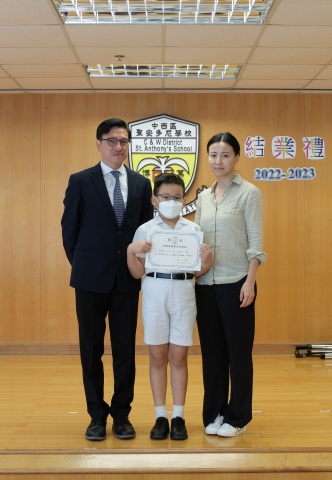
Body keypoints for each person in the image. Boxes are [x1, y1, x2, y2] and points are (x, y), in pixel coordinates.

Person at [61, 118, 154, 441]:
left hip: (127, 279)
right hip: (89, 280)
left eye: (124, 141)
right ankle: (96, 416)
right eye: (112, 141)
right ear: (99, 144)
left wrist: (136, 267)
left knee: (125, 350)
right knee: (91, 351)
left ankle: (122, 415)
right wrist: (84, 265)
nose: (118, 147)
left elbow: (146, 233)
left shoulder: (141, 184)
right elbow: (69, 231)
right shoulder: (80, 181)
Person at [127, 173, 212, 441]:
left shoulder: (193, 230)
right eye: (166, 196)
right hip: (154, 290)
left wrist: (207, 262)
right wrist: (131, 251)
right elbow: (137, 272)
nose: (172, 201)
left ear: (184, 200)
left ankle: (178, 416)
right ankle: (160, 416)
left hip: (184, 291)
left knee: (179, 357)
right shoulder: (145, 230)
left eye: (177, 197)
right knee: (157, 357)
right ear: (155, 200)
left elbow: (197, 271)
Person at [194, 132, 267, 438]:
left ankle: (237, 417)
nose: (218, 161)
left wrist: (250, 282)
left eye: (225, 155)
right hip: (205, 285)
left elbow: (256, 245)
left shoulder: (249, 193)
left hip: (237, 282)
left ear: (237, 157)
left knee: (237, 353)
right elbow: (196, 241)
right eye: (213, 155)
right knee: (212, 354)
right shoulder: (203, 197)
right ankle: (214, 412)